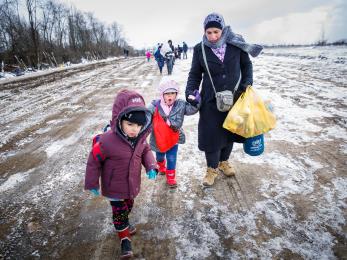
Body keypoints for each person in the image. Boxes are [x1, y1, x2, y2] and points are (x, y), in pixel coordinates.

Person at [185, 12, 263, 186]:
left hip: (235, 98)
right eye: (209, 32)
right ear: (204, 32)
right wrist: (190, 90)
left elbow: (246, 65)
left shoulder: (235, 43)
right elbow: (195, 74)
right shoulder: (200, 49)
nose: (212, 36)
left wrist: (247, 83)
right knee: (212, 136)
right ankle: (211, 169)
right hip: (210, 101)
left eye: (216, 32)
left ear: (222, 30)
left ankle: (223, 162)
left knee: (229, 133)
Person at [85, 89, 158, 259]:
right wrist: (92, 183)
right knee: (119, 212)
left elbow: (146, 151)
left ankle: (125, 222)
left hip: (131, 184)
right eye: (130, 124)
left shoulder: (140, 139)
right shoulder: (106, 141)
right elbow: (94, 160)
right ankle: (124, 239)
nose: (135, 129)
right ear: (119, 120)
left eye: (139, 125)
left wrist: (151, 166)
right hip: (114, 187)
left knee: (128, 206)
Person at [148, 77, 200, 188]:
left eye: (172, 93)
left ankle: (171, 177)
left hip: (173, 137)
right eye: (167, 94)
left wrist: (196, 102)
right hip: (159, 138)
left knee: (172, 158)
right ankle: (161, 166)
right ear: (162, 94)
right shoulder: (155, 106)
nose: (170, 96)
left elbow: (192, 109)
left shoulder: (180, 105)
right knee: (160, 155)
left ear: (176, 94)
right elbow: (145, 116)